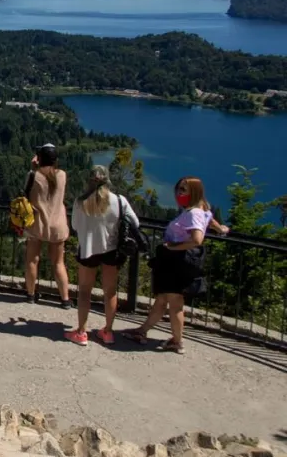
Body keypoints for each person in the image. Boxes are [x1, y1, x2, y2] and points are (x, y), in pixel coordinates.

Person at [121, 177, 228, 354]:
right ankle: (142, 331)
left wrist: (173, 247)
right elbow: (209, 219)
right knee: (163, 300)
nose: (179, 193)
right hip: (177, 262)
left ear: (194, 192)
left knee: (175, 303)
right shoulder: (200, 207)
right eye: (179, 189)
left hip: (176, 262)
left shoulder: (193, 213)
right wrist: (221, 229)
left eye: (184, 190)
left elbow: (197, 239)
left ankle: (177, 341)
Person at [65, 165, 139, 346]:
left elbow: (74, 226)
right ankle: (107, 332)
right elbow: (135, 223)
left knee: (84, 291)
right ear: (107, 181)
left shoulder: (80, 202)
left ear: (89, 180)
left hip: (88, 250)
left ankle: (81, 332)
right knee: (110, 292)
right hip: (111, 250)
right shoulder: (119, 201)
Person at [24, 143, 72, 308]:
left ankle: (30, 294)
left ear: (39, 158)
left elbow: (26, 195)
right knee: (58, 262)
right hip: (57, 224)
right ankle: (65, 299)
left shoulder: (33, 175)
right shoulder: (62, 175)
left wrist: (33, 168)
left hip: (37, 224)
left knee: (32, 260)